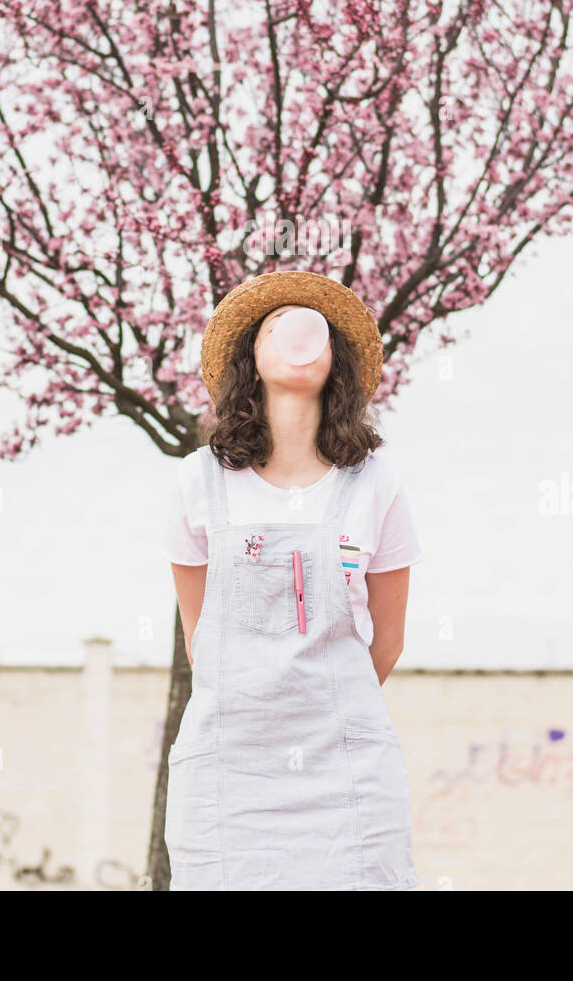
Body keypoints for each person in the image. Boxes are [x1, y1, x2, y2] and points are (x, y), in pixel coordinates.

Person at [162, 268, 422, 891]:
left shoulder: (375, 483)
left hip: (348, 774)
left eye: (316, 330)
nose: (298, 334)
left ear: (336, 363)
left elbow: (387, 640)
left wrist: (326, 703)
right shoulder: (198, 482)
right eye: (277, 324)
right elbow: (202, 641)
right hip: (228, 775)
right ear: (251, 354)